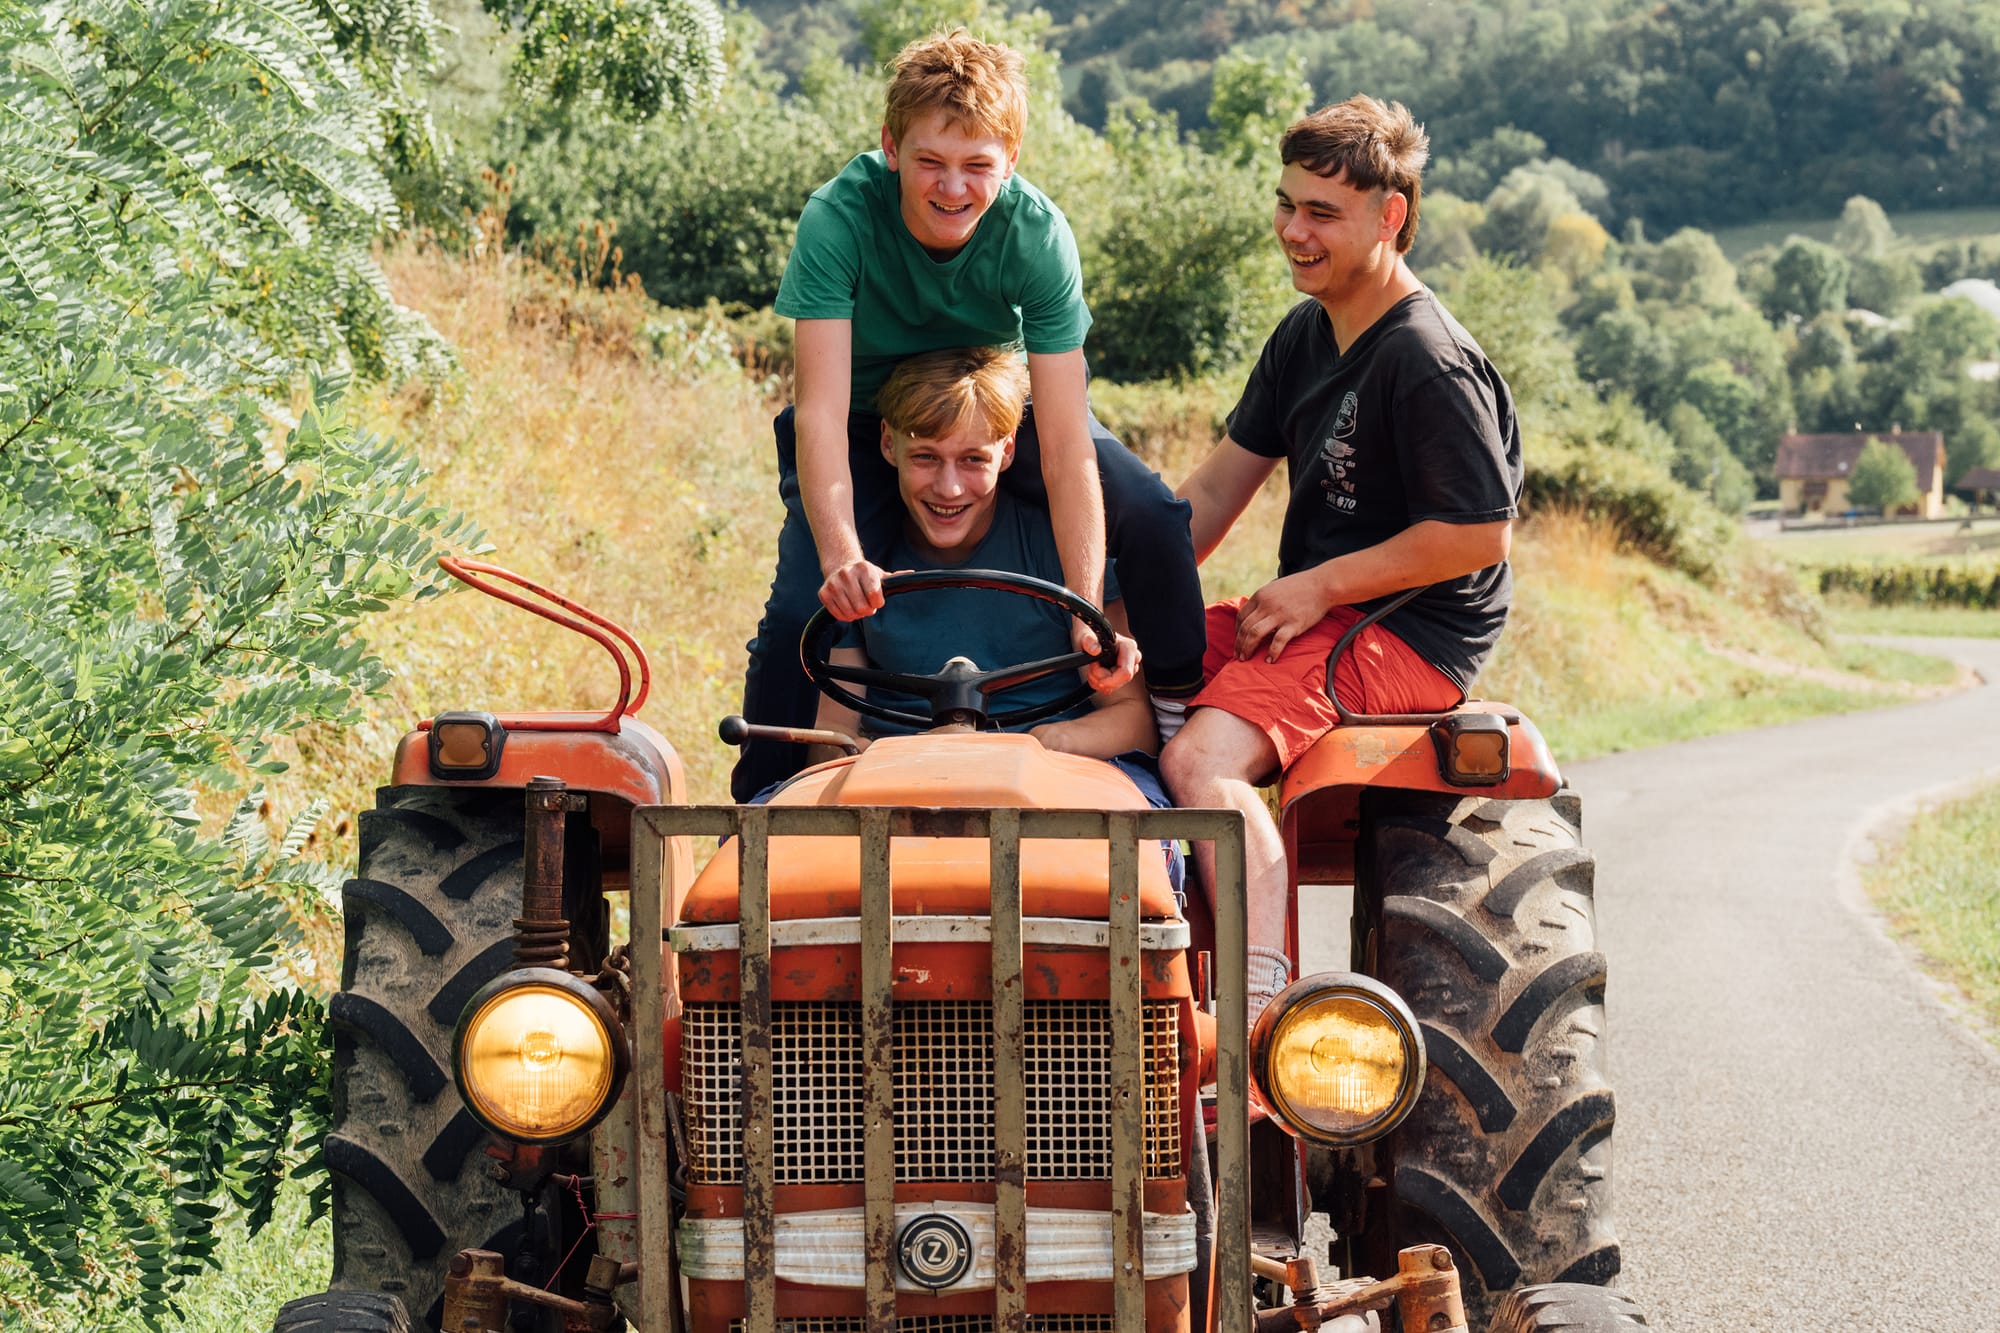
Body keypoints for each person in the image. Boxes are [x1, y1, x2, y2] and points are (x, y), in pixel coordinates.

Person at [733, 29, 1205, 802]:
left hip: (989, 408)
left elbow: (1063, 442)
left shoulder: (1038, 235)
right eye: (931, 163)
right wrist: (841, 554)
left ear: (1010, 162)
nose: (953, 188)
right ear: (891, 148)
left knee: (1151, 513)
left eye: (978, 167)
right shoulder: (838, 221)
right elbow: (817, 413)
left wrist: (1086, 607)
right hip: (865, 420)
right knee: (796, 615)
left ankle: (1176, 722)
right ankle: (756, 801)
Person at [1158, 96, 1524, 1024]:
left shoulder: (1425, 358)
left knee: (1203, 765)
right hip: (1318, 611)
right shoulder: (1307, 334)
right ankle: (1144, 968)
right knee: (1114, 685)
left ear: (1389, 216)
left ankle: (1264, 1013)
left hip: (1407, 632)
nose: (1294, 230)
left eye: (1321, 213)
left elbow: (1480, 533)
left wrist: (1318, 583)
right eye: (1286, 205)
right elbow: (1208, 499)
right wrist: (1104, 608)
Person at [803, 347, 1182, 887]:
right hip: (898, 784)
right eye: (926, 457)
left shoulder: (1064, 552)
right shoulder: (860, 564)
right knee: (756, 853)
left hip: (1057, 778)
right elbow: (832, 733)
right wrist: (894, 764)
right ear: (889, 443)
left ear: (1007, 452)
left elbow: (1131, 715)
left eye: (973, 459)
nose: (950, 488)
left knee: (1134, 861)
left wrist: (1037, 747)